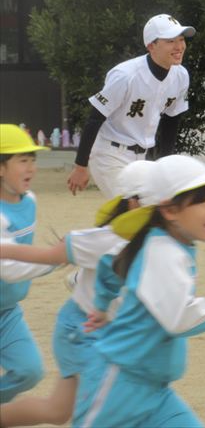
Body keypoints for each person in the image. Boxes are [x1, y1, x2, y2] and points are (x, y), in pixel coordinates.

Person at [72, 155, 205, 427]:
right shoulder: (163, 252)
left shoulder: (166, 244)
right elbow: (180, 319)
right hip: (118, 387)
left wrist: (102, 307)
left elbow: (109, 266)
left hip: (155, 391)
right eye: (201, 200)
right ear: (170, 211)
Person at [0, 160, 154, 427]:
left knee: (56, 411)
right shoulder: (108, 239)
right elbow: (52, 254)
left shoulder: (155, 241)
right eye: (162, 204)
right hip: (82, 333)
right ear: (134, 203)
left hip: (103, 333)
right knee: (107, 406)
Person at [67, 14, 196, 198]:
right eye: (170, 41)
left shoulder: (181, 75)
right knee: (133, 208)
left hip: (141, 159)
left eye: (181, 39)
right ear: (151, 46)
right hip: (109, 155)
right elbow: (94, 119)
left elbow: (172, 120)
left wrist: (165, 166)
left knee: (150, 207)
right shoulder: (126, 75)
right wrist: (80, 165)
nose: (179, 46)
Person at [0, 124, 49, 403]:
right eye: (22, 160)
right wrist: (58, 257)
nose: (31, 168)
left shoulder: (30, 200)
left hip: (7, 311)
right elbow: (10, 268)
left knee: (30, 371)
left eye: (33, 160)